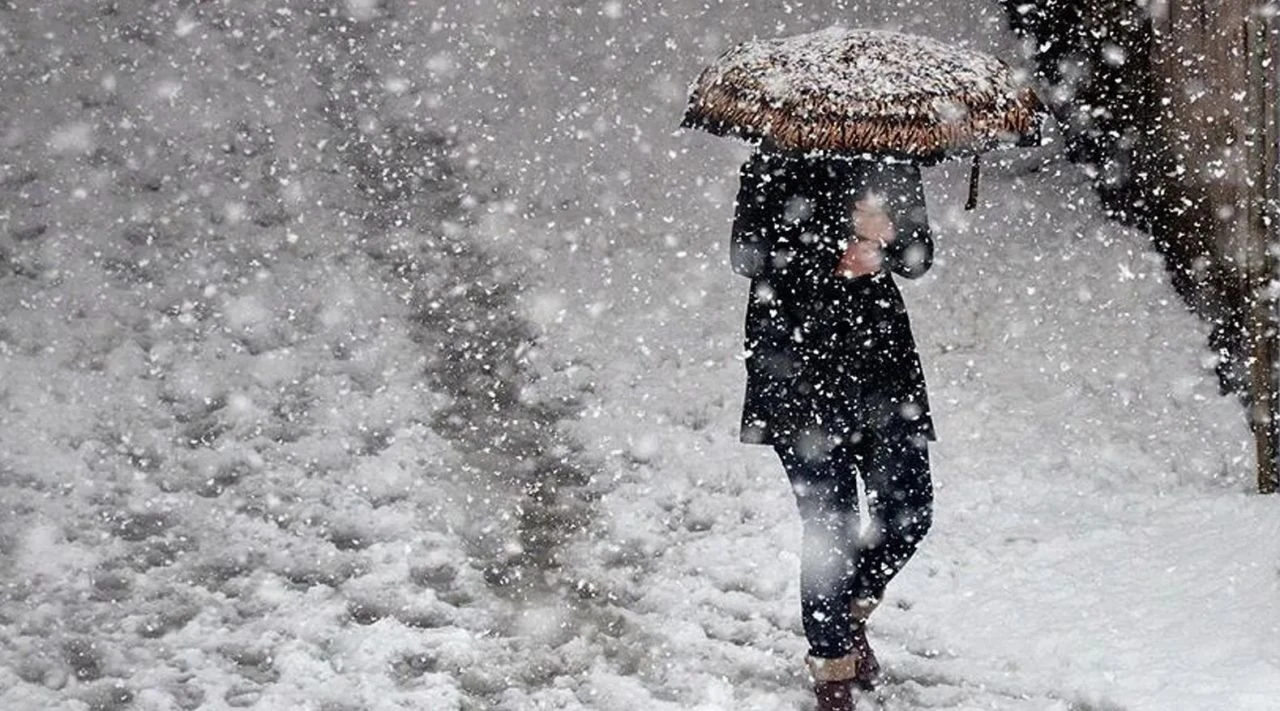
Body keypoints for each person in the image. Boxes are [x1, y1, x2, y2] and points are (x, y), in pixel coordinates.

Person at [730, 149, 936, 711]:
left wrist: (886, 241)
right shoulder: (772, 161)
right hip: (795, 366)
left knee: (908, 512)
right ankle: (831, 672)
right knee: (831, 529)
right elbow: (747, 256)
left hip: (881, 368)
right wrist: (836, 244)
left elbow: (919, 259)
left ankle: (847, 612)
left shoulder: (893, 158)